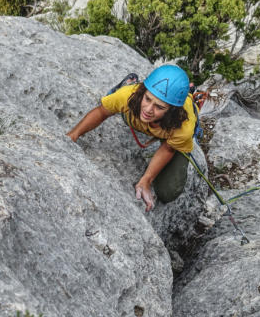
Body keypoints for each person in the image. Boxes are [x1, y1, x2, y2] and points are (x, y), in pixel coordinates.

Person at [67, 64, 197, 212]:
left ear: (172, 110)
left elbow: (168, 148)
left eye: (159, 107)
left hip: (168, 129)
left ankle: (190, 93)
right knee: (120, 102)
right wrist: (73, 135)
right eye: (147, 99)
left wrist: (146, 180)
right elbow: (102, 112)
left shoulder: (183, 127)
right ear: (143, 92)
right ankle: (129, 83)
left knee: (168, 192)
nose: (148, 109)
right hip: (136, 113)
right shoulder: (130, 96)